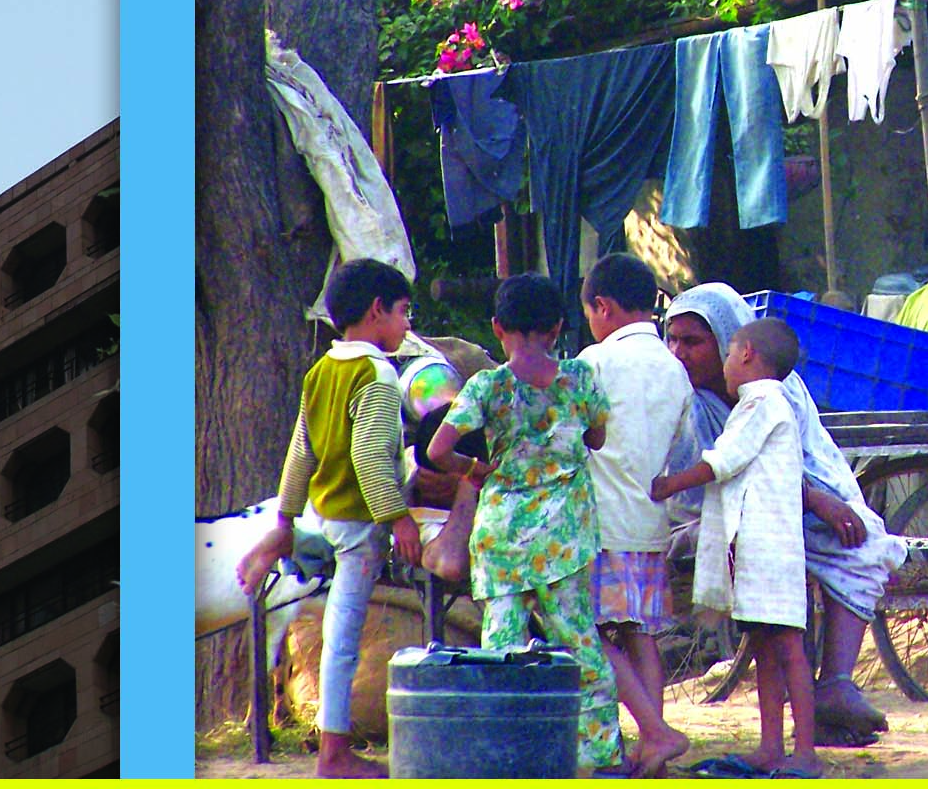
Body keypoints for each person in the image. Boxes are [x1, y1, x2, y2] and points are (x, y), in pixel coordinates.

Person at [663, 283, 905, 735]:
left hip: (783, 509)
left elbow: (805, 456)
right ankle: (795, 731)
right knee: (775, 625)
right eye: (672, 339)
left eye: (692, 342)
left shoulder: (775, 389)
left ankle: (834, 685)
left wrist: (818, 499)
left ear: (738, 346)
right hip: (704, 517)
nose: (678, 352)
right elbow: (711, 472)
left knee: (864, 541)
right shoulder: (680, 394)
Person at [235, 258, 424, 779]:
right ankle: (335, 753)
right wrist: (401, 519)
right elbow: (368, 456)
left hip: (320, 515)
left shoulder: (322, 370)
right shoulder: (379, 374)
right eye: (405, 312)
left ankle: (280, 543)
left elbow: (301, 451)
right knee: (343, 639)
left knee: (338, 634)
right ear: (377, 310)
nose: (408, 326)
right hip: (361, 527)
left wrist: (284, 519)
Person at [429, 273, 623, 772]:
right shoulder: (579, 378)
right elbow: (597, 439)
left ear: (497, 327)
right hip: (564, 535)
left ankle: (501, 756)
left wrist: (474, 469)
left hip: (503, 535)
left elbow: (437, 450)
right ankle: (598, 756)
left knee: (501, 647)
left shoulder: (487, 385)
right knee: (579, 643)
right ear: (558, 327)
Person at [651, 319, 822, 776]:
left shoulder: (763, 402)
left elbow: (721, 461)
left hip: (770, 553)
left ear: (746, 353)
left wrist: (668, 485)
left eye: (727, 353)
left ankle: (803, 752)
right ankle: (770, 746)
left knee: (787, 648)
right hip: (756, 551)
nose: (723, 365)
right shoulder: (759, 403)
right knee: (765, 646)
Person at [576, 254, 695, 776]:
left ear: (601, 307)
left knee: (592, 635)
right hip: (650, 524)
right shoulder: (676, 370)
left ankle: (654, 732)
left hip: (601, 524)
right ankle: (655, 748)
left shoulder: (592, 363)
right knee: (641, 636)